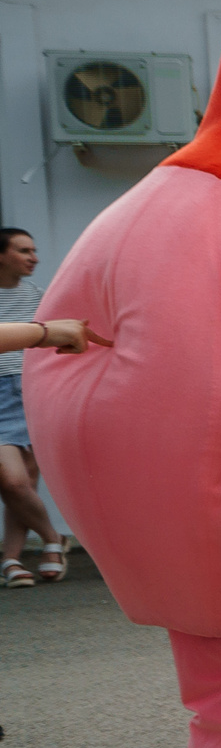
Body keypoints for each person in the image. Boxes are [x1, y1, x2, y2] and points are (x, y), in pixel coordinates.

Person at [0, 228, 74, 586]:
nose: (35, 257)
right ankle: (52, 539)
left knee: (23, 482)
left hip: (28, 389)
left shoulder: (37, 297)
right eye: (24, 250)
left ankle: (11, 558)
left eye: (35, 249)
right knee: (11, 481)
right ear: (1, 255)